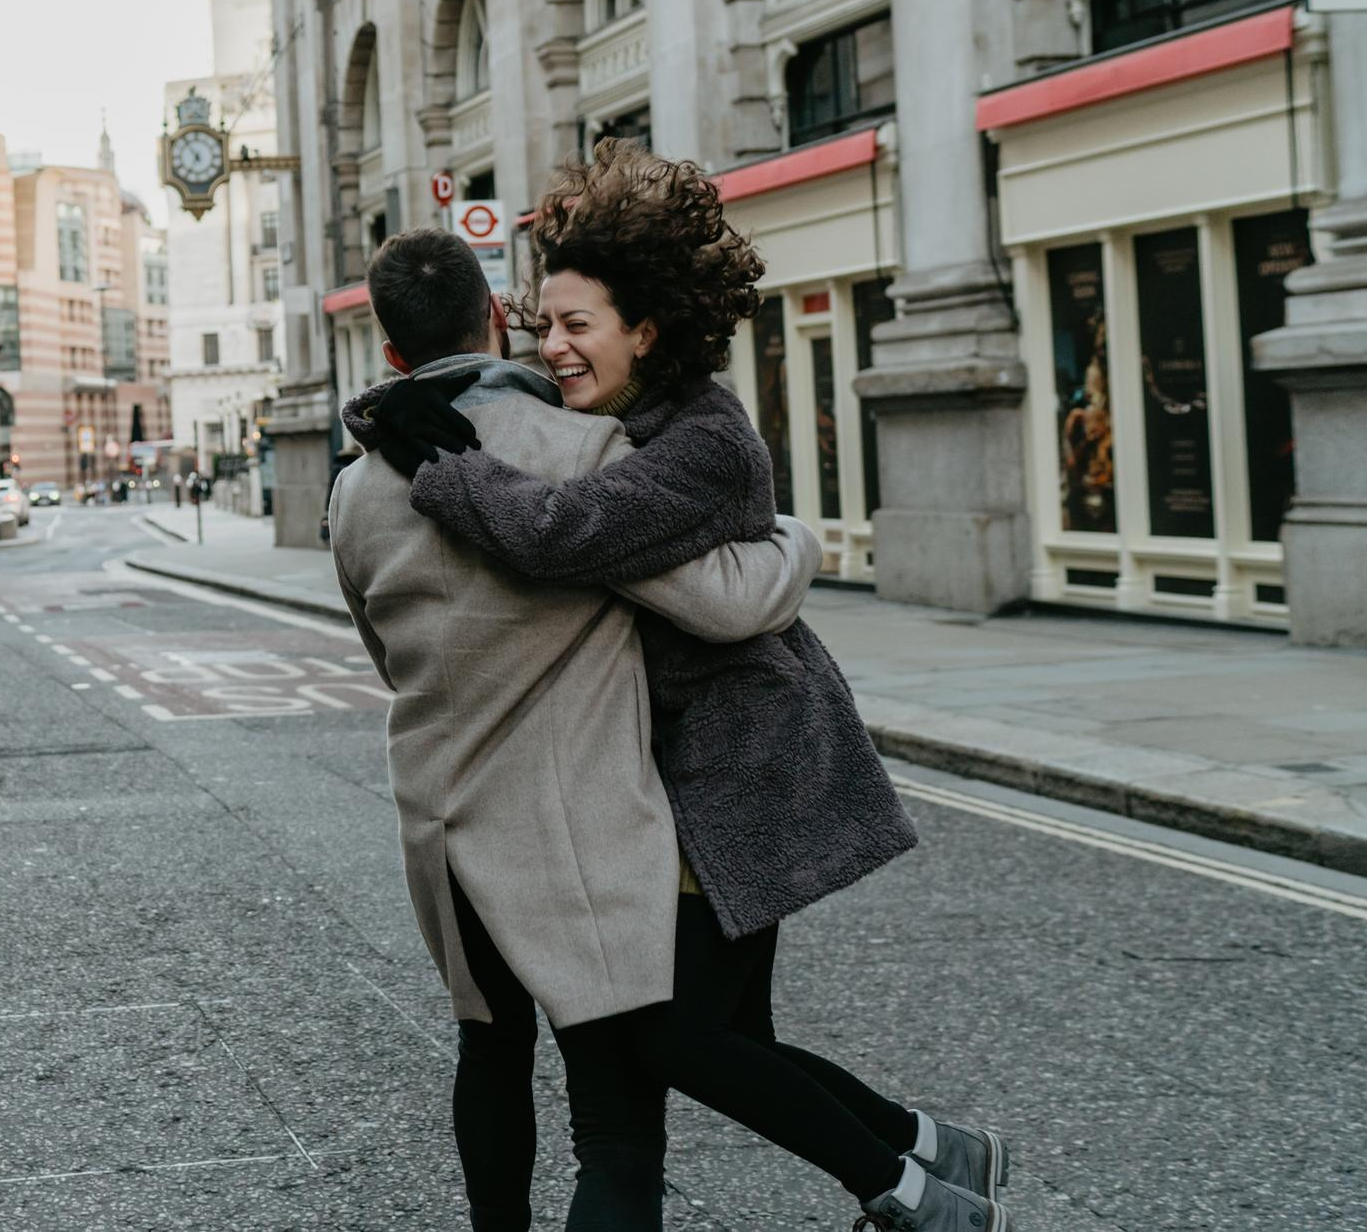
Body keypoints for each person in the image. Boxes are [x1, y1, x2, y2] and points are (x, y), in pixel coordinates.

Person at [355, 146, 1011, 1232]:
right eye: (542, 326)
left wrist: (445, 466)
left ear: (645, 330)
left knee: (675, 1040)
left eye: (578, 328)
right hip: (673, 768)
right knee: (720, 1042)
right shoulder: (614, 431)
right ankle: (937, 1155)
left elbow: (601, 548)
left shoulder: (688, 437)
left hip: (733, 772)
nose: (553, 349)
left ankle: (910, 1195)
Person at [327, 227, 825, 1231]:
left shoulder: (352, 487)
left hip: (441, 816)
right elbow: (720, 601)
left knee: (488, 1050)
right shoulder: (587, 452)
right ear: (497, 316)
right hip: (574, 822)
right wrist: (795, 540)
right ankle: (904, 1165)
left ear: (388, 354)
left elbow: (385, 653)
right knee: (612, 1124)